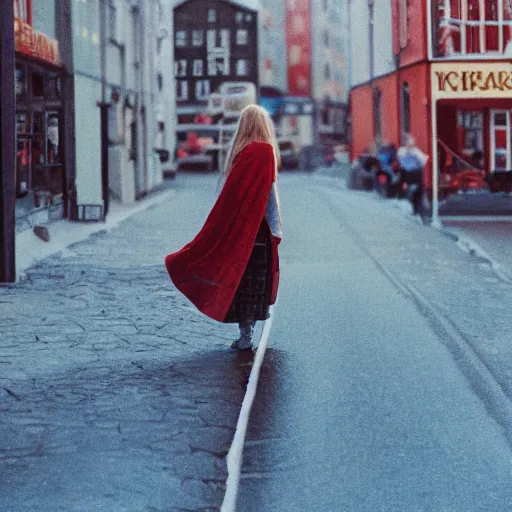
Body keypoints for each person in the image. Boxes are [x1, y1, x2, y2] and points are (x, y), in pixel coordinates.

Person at [165, 104, 282, 351]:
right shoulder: (266, 152)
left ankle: (244, 336)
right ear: (263, 126)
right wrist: (276, 229)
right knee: (254, 283)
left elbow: (230, 197)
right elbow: (269, 195)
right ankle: (248, 333)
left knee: (240, 280)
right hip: (258, 233)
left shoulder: (240, 153)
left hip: (240, 233)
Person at [397, 134, 429, 215]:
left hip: (417, 174)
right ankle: (409, 210)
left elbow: (423, 161)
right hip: (407, 175)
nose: (410, 144)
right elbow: (403, 162)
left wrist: (417, 157)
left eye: (411, 142)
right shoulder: (402, 150)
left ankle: (418, 211)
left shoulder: (416, 151)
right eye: (408, 141)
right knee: (408, 193)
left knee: (418, 194)